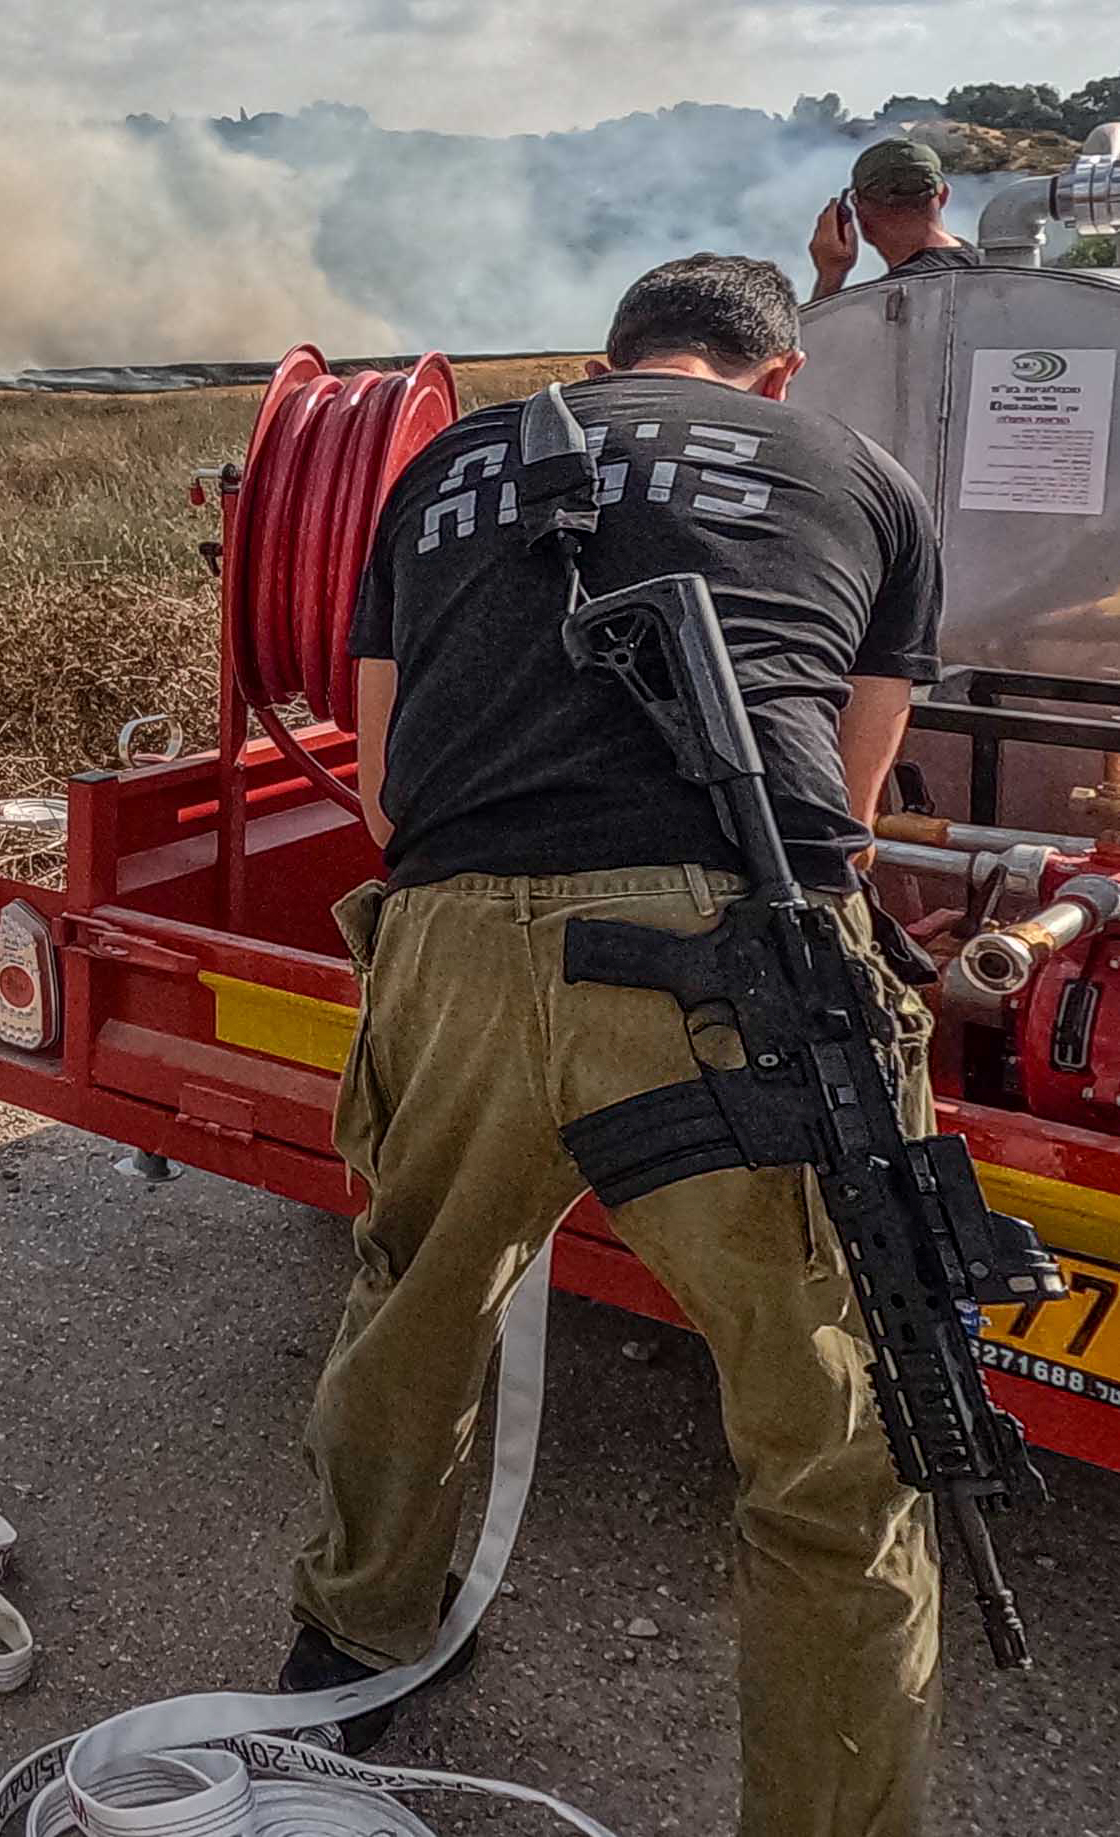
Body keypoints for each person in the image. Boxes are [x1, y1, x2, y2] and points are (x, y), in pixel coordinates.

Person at [286, 253, 946, 1837]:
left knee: (417, 1300)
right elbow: (841, 822)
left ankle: (347, 1656)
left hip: (449, 940)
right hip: (730, 967)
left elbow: (386, 786)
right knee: (830, 1423)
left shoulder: (446, 464)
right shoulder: (861, 475)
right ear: (773, 375)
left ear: (609, 358)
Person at [808, 137, 982, 301]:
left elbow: (814, 333)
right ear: (944, 195)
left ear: (858, 207)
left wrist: (830, 276)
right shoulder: (988, 263)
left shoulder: (887, 302)